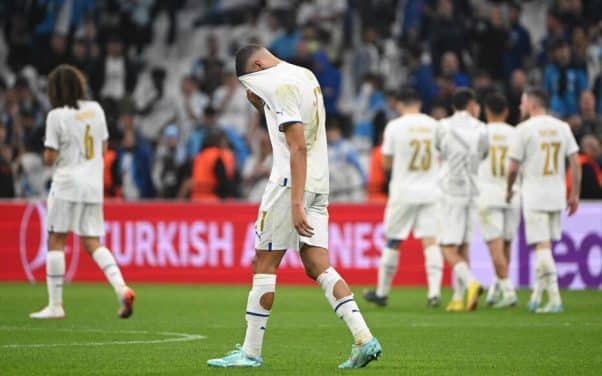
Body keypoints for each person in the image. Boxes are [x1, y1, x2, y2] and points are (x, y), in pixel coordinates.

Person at [207, 45, 381, 369]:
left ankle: (250, 352)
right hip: (319, 182)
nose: (252, 90)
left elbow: (297, 146)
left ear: (258, 65)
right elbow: (300, 126)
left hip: (290, 185)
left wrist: (295, 202)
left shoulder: (278, 85)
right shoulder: (303, 75)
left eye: (250, 83)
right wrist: (262, 106)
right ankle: (364, 338)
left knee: (264, 263)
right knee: (317, 265)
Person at [30, 65, 135, 320]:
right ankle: (121, 289)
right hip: (92, 184)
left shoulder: (56, 116)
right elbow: (104, 146)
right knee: (92, 242)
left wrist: (49, 154)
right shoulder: (96, 109)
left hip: (66, 183)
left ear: (54, 89)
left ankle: (55, 305)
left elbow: (49, 157)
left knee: (56, 238)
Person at [363, 87, 443, 308]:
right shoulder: (435, 125)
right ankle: (434, 293)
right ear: (419, 103)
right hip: (431, 190)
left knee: (394, 240)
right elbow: (441, 156)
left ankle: (382, 292)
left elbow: (386, 162)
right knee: (430, 241)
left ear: (399, 104)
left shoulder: (395, 127)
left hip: (403, 191)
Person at [506, 88, 581, 314]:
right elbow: (575, 162)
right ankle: (537, 297)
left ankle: (555, 299)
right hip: (557, 194)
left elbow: (512, 167)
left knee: (541, 247)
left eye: (522, 102)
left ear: (531, 104)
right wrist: (574, 193)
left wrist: (508, 189)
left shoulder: (524, 129)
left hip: (535, 195)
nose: (520, 106)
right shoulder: (562, 127)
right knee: (545, 245)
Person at [438, 88, 489, 312]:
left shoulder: (443, 126)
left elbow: (440, 150)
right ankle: (459, 298)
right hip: (473, 191)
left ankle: (470, 283)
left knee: (447, 247)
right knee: (463, 244)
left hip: (451, 191)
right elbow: (484, 154)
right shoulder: (482, 128)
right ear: (470, 105)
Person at [477, 93, 520, 308]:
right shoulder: (516, 134)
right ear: (506, 112)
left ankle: (509, 291)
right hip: (512, 194)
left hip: (487, 194)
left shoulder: (480, 132)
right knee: (506, 245)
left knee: (495, 247)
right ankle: (497, 288)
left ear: (486, 111)